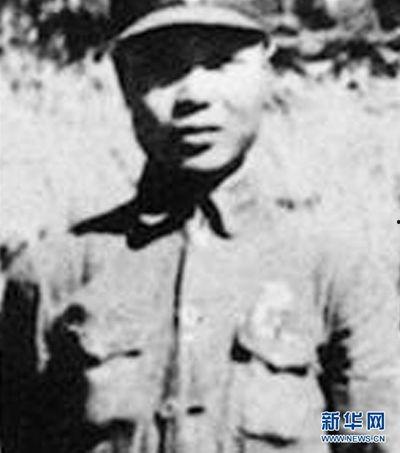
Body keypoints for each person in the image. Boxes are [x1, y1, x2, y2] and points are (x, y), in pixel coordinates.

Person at [1, 1, 399, 453]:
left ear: (266, 72)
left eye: (221, 62)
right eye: (163, 66)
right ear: (125, 81)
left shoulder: (330, 273)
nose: (194, 94)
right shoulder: (55, 275)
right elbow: (24, 439)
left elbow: (365, 439)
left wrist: (324, 429)